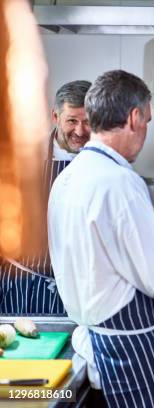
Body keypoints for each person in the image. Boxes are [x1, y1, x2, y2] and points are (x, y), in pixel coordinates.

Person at [48, 70, 154, 407]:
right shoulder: (120, 181)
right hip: (136, 354)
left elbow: (95, 246)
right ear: (134, 117)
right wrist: (151, 235)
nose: (144, 132)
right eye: (147, 121)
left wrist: (147, 225)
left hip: (98, 339)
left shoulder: (70, 178)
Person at [0, 79, 91, 314]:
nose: (80, 131)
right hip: (21, 284)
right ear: (55, 117)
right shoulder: (26, 157)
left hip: (78, 288)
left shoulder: (103, 161)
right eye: (72, 120)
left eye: (87, 122)